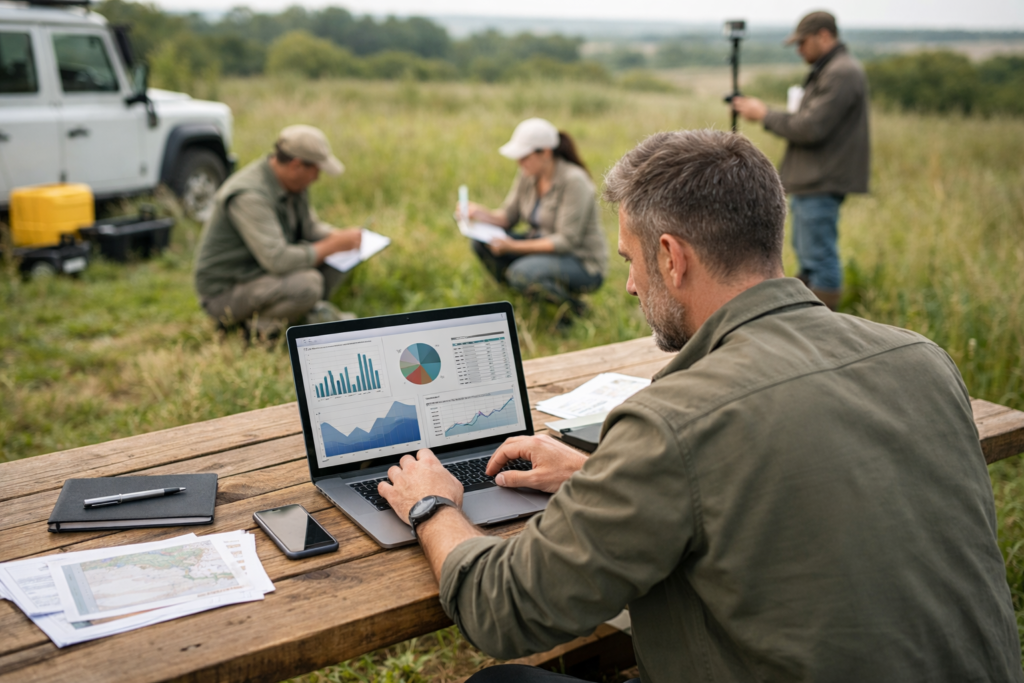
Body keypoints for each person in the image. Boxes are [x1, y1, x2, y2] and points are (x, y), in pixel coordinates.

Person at [378, 130, 1022, 682]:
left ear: (670, 257)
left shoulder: (674, 418)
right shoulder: (921, 358)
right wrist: (598, 474)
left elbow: (505, 610)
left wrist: (433, 505)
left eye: (631, 260)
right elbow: (773, 480)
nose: (629, 284)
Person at [732, 11, 869, 310]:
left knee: (819, 259)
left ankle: (823, 327)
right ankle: (806, 319)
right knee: (809, 260)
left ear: (824, 35)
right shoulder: (832, 69)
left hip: (821, 179)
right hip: (813, 179)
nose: (799, 50)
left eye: (802, 42)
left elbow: (810, 127)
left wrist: (764, 115)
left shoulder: (841, 72)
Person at [193, 124, 363, 337]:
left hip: (260, 274)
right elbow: (277, 259)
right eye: (316, 170)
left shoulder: (292, 184)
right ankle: (255, 332)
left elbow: (309, 227)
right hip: (227, 291)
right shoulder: (250, 196)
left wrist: (339, 237)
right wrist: (331, 245)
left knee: (336, 257)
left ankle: (300, 315)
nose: (317, 178)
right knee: (308, 284)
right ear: (296, 165)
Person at [462, 117, 607, 321]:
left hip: (580, 261)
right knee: (481, 244)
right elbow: (508, 216)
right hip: (541, 246)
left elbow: (565, 241)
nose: (519, 162)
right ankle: (523, 298)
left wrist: (512, 246)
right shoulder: (528, 173)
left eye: (524, 157)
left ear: (545, 152)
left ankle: (575, 312)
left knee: (521, 273)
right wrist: (479, 214)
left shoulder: (575, 181)